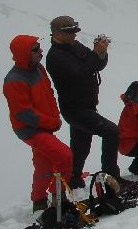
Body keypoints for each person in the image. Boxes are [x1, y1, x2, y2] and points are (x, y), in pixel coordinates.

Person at [46, 16, 120, 188]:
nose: (74, 35)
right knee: (111, 132)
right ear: (57, 33)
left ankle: (73, 177)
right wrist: (96, 54)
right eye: (70, 32)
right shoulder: (55, 56)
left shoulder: (72, 46)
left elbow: (95, 65)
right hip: (75, 108)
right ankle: (111, 177)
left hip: (85, 105)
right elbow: (81, 73)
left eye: (75, 31)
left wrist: (101, 53)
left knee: (81, 146)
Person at [3, 35, 73, 212]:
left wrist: (55, 116)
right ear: (23, 53)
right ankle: (58, 194)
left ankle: (39, 200)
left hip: (44, 126)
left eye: (39, 47)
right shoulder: (14, 80)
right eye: (35, 49)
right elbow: (25, 113)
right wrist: (51, 122)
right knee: (64, 156)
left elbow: (49, 93)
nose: (40, 51)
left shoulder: (38, 68)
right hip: (30, 129)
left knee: (44, 164)